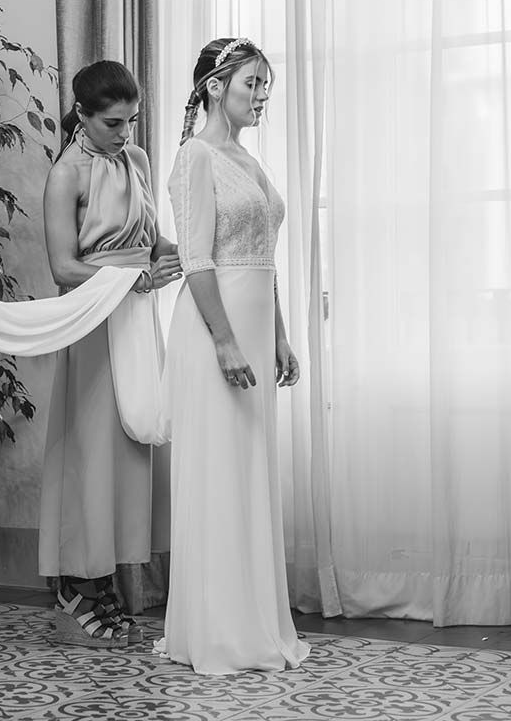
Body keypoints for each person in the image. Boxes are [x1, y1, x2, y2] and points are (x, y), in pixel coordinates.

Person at [159, 37, 311, 673]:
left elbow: (260, 261)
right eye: (251, 83)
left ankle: (254, 619)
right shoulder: (195, 157)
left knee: (248, 476)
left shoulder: (247, 160)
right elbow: (196, 261)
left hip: (251, 330)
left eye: (264, 85)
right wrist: (223, 340)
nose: (260, 96)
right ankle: (215, 629)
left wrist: (275, 334)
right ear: (215, 86)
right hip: (212, 333)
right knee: (216, 476)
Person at [39, 60, 182, 648]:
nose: (125, 134)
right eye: (113, 123)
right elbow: (63, 266)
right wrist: (130, 282)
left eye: (132, 121)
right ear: (83, 116)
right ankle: (76, 589)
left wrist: (181, 255)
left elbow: (150, 240)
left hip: (138, 318)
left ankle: (108, 587)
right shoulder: (65, 174)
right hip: (94, 319)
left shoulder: (138, 161)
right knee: (90, 453)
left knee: (131, 448)